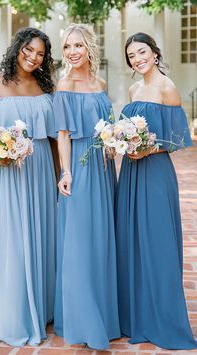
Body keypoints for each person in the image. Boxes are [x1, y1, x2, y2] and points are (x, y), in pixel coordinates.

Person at [0, 27, 57, 346]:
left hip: (41, 169)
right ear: (17, 47)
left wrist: (60, 176)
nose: (33, 58)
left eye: (41, 54)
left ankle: (43, 307)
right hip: (4, 173)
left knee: (41, 236)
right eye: (28, 50)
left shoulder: (47, 87)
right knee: (11, 239)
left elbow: (54, 139)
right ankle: (11, 311)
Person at [115, 32, 197, 350]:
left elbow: (177, 139)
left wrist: (147, 150)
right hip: (131, 173)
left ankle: (164, 318)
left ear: (154, 53)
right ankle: (135, 316)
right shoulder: (134, 88)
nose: (138, 58)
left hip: (156, 173)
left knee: (158, 242)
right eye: (132, 55)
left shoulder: (168, 87)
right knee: (132, 241)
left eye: (142, 52)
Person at [53, 23, 120, 350]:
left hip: (103, 167)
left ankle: (105, 315)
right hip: (78, 167)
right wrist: (65, 172)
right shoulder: (63, 85)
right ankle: (82, 320)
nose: (72, 52)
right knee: (79, 241)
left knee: (100, 238)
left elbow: (107, 126)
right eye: (67, 47)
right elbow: (63, 134)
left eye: (78, 45)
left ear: (89, 48)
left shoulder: (100, 82)